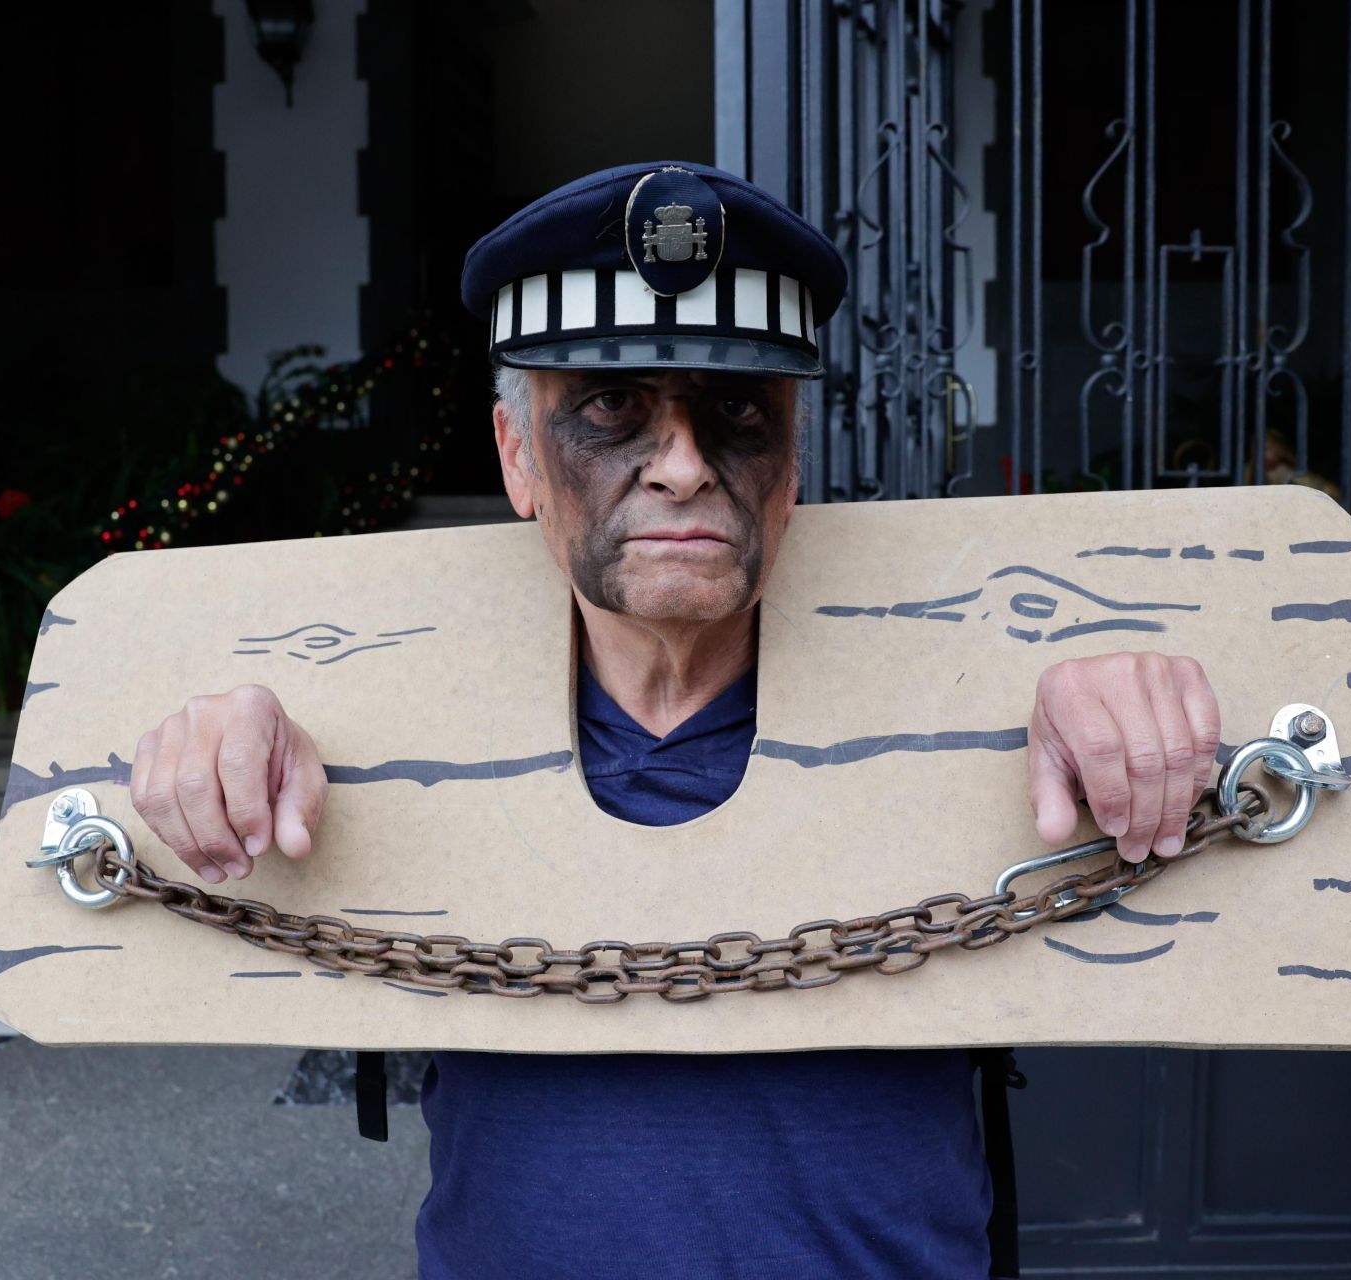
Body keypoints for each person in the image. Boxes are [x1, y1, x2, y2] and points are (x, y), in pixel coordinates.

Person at [127, 161, 1226, 1278]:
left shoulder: (970, 717)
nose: (686, 466)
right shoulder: (385, 742)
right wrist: (222, 755)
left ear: (791, 464)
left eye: (738, 410)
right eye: (612, 409)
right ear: (518, 459)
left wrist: (1126, 717)